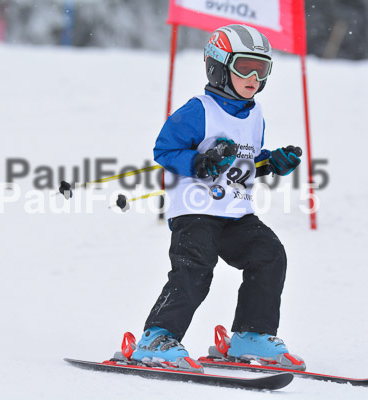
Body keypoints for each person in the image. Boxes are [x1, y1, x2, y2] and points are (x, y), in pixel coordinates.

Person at [130, 24, 305, 370]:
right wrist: (198, 161)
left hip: (236, 212)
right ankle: (156, 337)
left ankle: (250, 334)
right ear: (219, 67)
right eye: (244, 67)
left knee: (269, 255)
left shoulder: (255, 115)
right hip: (195, 211)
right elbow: (164, 149)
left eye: (262, 68)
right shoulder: (199, 110)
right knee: (195, 270)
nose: (254, 77)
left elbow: (248, 161)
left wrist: (272, 161)